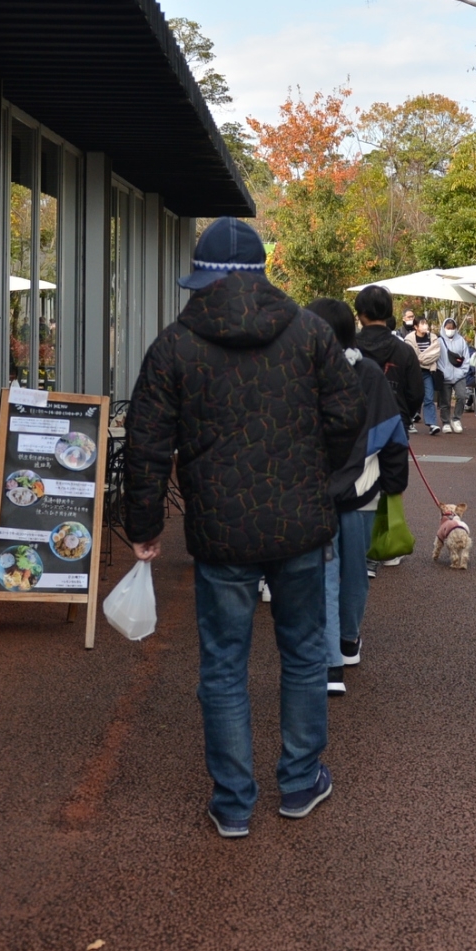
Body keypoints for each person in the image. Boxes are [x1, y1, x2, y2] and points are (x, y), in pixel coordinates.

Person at [122, 217, 365, 839]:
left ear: (205, 279)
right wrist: (318, 473)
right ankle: (300, 780)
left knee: (224, 664)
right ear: (263, 273)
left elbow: (146, 445)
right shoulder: (310, 333)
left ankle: (233, 802)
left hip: (219, 529)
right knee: (305, 653)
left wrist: (144, 527)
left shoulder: (175, 345)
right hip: (300, 525)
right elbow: (348, 415)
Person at [306, 298, 410, 688]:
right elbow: (393, 435)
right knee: (356, 575)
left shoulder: (302, 373)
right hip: (365, 492)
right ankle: (348, 641)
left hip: (315, 495)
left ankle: (330, 663)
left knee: (324, 575)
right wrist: (394, 487)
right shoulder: (368, 372)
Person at [354, 285, 423, 428]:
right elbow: (416, 393)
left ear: (360, 314)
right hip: (395, 425)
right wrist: (404, 414)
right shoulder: (405, 350)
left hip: (357, 426)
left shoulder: (349, 348)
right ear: (389, 312)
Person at [436, 316, 473, 433]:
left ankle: (456, 419)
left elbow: (466, 357)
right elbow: (436, 358)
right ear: (444, 327)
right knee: (445, 401)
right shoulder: (439, 341)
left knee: (462, 396)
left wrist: (462, 371)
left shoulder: (461, 340)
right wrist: (441, 371)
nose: (450, 330)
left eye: (452, 328)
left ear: (456, 328)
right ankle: (446, 422)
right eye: (448, 327)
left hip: (459, 376)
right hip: (444, 376)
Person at [411, 317, 444, 434]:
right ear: (415, 327)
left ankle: (432, 424)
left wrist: (420, 359)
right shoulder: (409, 339)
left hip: (428, 372)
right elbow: (410, 356)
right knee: (413, 398)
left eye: (426, 323)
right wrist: (424, 358)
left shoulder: (433, 337)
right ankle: (409, 421)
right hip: (413, 373)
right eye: (422, 323)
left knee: (429, 398)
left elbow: (435, 353)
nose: (425, 325)